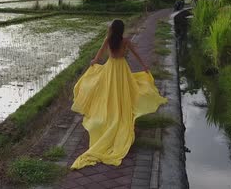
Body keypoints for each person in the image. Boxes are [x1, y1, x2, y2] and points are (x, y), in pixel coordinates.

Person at [70, 19, 167, 169]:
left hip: (110, 69)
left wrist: (94, 61)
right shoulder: (125, 41)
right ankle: (120, 113)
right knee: (125, 91)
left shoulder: (108, 40)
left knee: (107, 93)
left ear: (112, 29)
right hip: (121, 69)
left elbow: (100, 54)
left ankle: (110, 115)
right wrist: (144, 66)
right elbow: (136, 54)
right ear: (121, 30)